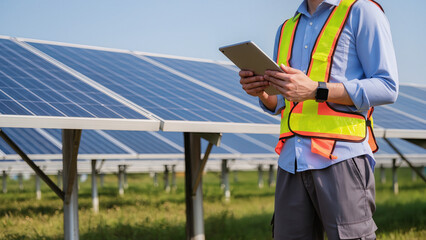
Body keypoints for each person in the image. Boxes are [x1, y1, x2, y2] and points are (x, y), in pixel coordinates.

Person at [239, 0, 398, 239]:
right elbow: (284, 100)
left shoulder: (362, 12)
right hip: (291, 162)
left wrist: (317, 90)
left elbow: (387, 87)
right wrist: (262, 93)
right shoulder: (286, 29)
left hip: (342, 158)